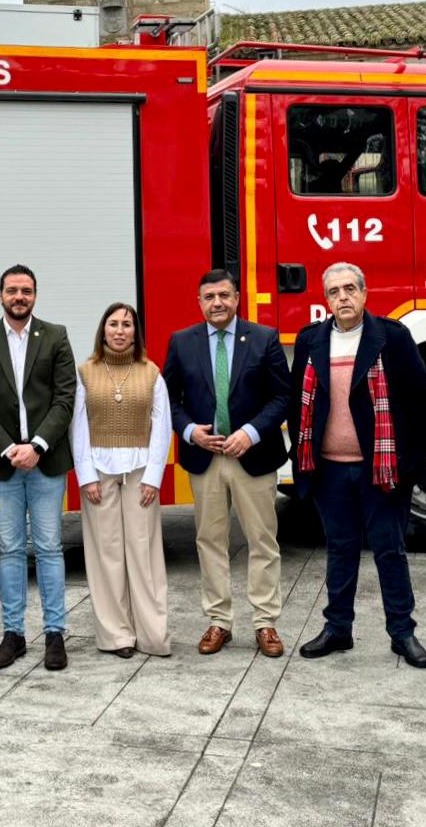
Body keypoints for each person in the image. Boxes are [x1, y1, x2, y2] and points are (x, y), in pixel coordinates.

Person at [288, 263, 426, 667]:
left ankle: (402, 634)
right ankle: (338, 629)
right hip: (329, 470)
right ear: (326, 300)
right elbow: (296, 404)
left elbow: (423, 403)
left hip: (381, 471)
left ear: (365, 293)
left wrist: (410, 467)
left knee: (390, 550)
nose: (343, 297)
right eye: (334, 291)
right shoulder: (311, 340)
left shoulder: (391, 337)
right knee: (340, 549)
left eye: (350, 288)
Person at [162, 269, 290, 658]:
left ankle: (265, 623)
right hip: (206, 459)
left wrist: (250, 432)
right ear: (198, 302)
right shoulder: (182, 342)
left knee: (262, 541)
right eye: (209, 297)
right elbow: (168, 400)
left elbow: (282, 397)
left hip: (253, 457)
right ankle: (219, 621)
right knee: (210, 542)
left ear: (237, 297)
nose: (217, 303)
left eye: (224, 295)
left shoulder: (264, 339)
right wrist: (189, 433)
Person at [0, 264, 76, 671]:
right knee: (9, 550)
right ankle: (13, 635)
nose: (19, 297)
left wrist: (38, 445)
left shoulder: (56, 336)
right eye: (12, 290)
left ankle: (55, 634)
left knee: (49, 549)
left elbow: (66, 397)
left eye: (26, 291)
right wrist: (10, 448)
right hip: (3, 463)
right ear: (0, 296)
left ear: (35, 296)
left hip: (46, 462)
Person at [70, 301, 172, 658]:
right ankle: (117, 636)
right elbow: (78, 427)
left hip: (142, 472)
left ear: (135, 332)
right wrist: (85, 477)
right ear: (103, 330)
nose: (119, 330)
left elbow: (162, 427)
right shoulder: (85, 372)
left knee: (144, 554)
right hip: (98, 472)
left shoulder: (151, 372)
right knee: (107, 555)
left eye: (127, 324)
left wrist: (154, 478)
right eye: (112, 324)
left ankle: (152, 635)